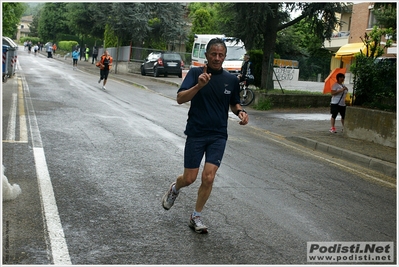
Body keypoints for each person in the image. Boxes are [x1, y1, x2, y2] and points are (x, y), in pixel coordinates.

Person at [161, 38, 249, 234]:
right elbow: (180, 98)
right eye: (213, 54)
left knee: (208, 177)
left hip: (218, 134)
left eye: (221, 55)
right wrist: (199, 86)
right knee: (190, 178)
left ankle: (196, 216)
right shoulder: (195, 73)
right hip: (196, 132)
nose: (217, 58)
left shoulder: (231, 80)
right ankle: (176, 187)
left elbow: (234, 102)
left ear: (224, 56)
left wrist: (240, 112)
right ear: (206, 55)